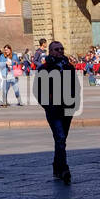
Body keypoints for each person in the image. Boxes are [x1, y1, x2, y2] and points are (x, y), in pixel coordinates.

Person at [38, 41, 79, 185]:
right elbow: (38, 91)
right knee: (60, 138)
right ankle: (64, 169)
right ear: (50, 51)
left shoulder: (68, 67)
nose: (60, 51)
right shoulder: (44, 69)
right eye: (57, 49)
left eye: (62, 49)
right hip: (53, 110)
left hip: (67, 108)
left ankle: (57, 167)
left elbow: (76, 86)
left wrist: (74, 103)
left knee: (61, 140)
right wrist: (48, 106)